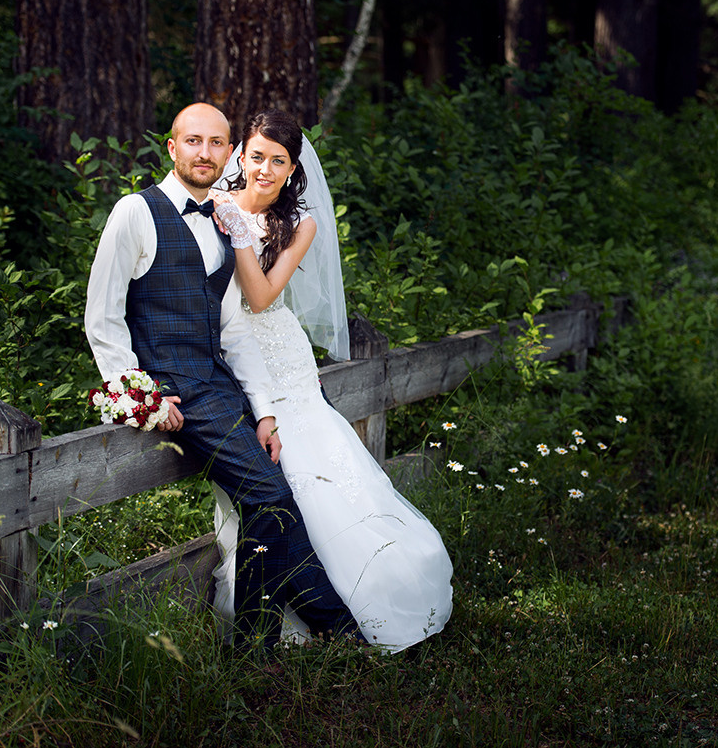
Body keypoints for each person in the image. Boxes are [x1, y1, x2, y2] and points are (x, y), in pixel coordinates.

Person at [84, 102, 362, 653]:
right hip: (178, 390)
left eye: (216, 143)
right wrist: (137, 395)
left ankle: (316, 633)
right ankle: (286, 640)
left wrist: (262, 409)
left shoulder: (222, 219)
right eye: (194, 141)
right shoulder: (134, 213)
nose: (205, 153)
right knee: (272, 497)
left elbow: (233, 328)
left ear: (226, 149)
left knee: (275, 501)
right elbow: (103, 317)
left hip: (222, 385)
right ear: (172, 146)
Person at [208, 109, 453, 653]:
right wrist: (223, 212)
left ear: (293, 168)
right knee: (266, 479)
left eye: (280, 161)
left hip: (282, 358)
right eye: (257, 157)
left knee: (310, 468)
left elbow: (260, 297)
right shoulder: (208, 207)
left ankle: (359, 599)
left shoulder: (301, 223)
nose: (265, 170)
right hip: (232, 354)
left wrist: (239, 228)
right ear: (238, 156)